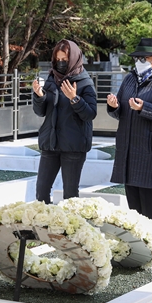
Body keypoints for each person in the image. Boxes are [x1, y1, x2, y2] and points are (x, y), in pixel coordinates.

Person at [106, 38, 152, 227]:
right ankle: (136, 248)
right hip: (128, 150)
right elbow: (121, 113)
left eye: (144, 57)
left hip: (150, 152)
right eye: (137, 57)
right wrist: (114, 107)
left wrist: (144, 108)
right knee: (133, 207)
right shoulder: (130, 79)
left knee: (149, 206)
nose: (140, 61)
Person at [32, 39, 97, 203]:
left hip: (73, 146)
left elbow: (90, 114)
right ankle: (44, 226)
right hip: (50, 144)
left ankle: (69, 228)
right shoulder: (51, 79)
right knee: (41, 192)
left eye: (64, 60)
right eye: (58, 60)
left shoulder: (85, 83)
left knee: (70, 195)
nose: (61, 63)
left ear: (74, 59)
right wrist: (39, 96)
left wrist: (74, 99)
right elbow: (40, 112)